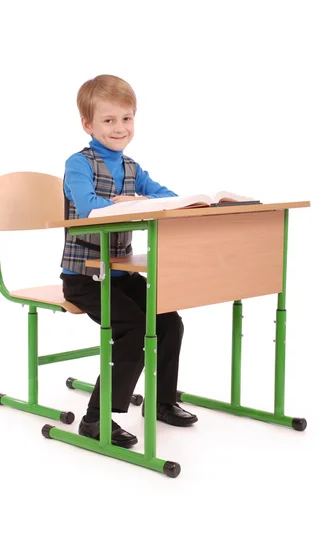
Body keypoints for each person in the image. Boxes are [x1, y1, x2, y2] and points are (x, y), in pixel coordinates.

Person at [60, 74, 198, 448]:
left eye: (126, 118)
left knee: (168, 320)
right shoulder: (79, 164)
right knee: (134, 329)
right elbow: (88, 207)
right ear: (88, 124)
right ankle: (96, 420)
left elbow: (165, 195)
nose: (119, 128)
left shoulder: (133, 168)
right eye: (108, 120)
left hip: (117, 274)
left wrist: (147, 201)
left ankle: (162, 402)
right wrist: (130, 204)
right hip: (84, 276)